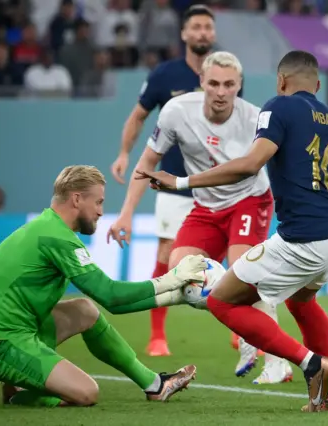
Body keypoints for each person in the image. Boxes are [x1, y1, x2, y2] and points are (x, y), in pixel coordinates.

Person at [136, 50, 328, 411]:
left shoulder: (277, 107)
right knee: (301, 300)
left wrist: (180, 181)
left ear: (281, 81)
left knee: (222, 300)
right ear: (317, 85)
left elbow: (250, 165)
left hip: (304, 237)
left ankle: (312, 364)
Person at [109, 51, 292, 384]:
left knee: (245, 274)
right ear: (201, 84)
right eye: (214, 83)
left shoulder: (255, 119)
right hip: (206, 206)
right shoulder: (176, 112)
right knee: (185, 273)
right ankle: (246, 328)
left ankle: (277, 362)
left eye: (229, 85)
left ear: (239, 86)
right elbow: (147, 163)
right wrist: (126, 213)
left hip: (249, 201)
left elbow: (281, 163)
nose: (221, 91)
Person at [0, 165, 207, 408]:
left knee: (84, 311)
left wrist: (175, 296)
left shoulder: (51, 228)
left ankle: (155, 385)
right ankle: (19, 395)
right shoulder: (56, 238)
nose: (101, 212)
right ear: (77, 199)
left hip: (21, 329)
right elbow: (111, 296)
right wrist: (171, 279)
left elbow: (113, 300)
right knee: (86, 393)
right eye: (98, 202)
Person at [109, 5, 244, 357]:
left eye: (207, 27)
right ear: (184, 34)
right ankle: (157, 336)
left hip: (217, 186)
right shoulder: (164, 75)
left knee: (237, 256)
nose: (202, 33)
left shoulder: (226, 76)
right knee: (168, 256)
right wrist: (124, 153)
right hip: (174, 183)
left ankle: (241, 328)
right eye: (196, 27)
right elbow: (138, 117)